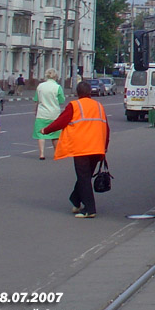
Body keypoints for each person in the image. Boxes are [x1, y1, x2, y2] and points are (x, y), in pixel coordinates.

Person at [42, 80, 109, 218]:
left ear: (77, 93)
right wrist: (105, 147)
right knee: (86, 176)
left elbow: (61, 121)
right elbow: (106, 128)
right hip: (97, 147)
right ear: (90, 92)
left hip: (82, 148)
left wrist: (46, 130)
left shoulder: (74, 105)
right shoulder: (99, 106)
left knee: (83, 178)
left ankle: (90, 209)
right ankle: (76, 200)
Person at [32, 68, 66, 160]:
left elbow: (36, 99)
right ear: (56, 76)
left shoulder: (40, 86)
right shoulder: (57, 87)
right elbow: (61, 100)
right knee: (55, 135)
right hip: (54, 114)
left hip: (42, 113)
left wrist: (35, 111)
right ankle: (56, 153)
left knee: (40, 134)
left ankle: (42, 154)